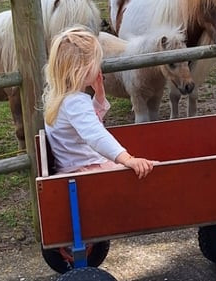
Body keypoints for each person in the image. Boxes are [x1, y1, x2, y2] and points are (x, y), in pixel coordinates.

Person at [42, 26, 154, 178]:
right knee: (154, 169)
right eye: (97, 62)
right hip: (88, 170)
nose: (100, 67)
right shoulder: (75, 102)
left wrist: (99, 97)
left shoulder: (61, 97)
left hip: (77, 166)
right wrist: (127, 159)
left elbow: (82, 125)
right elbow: (95, 134)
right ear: (84, 69)